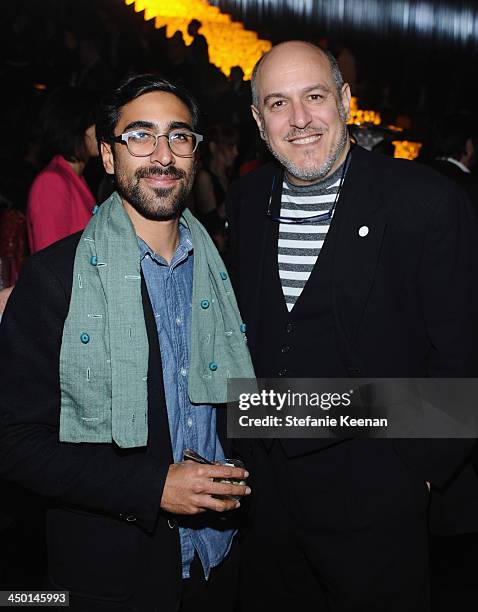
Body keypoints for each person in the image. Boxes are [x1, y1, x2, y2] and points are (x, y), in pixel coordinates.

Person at [226, 41, 478, 612]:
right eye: (277, 104)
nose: (299, 120)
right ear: (258, 121)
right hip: (266, 499)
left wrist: (420, 475)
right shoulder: (247, 199)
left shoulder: (426, 201)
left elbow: (461, 354)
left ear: (344, 101)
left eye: (314, 97)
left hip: (377, 497)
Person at [0, 74, 254, 611]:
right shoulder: (54, 279)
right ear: (109, 156)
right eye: (140, 135)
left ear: (195, 154)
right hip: (113, 574)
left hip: (221, 559)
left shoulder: (225, 276)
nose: (162, 154)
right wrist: (150, 486)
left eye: (179, 136)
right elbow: (15, 441)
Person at [27, 86, 99, 254]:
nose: (102, 130)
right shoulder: (51, 182)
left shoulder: (75, 177)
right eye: (95, 123)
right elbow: (49, 258)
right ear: (77, 127)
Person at [193, 123, 239, 254]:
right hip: (212, 249)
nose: (236, 152)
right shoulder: (204, 177)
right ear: (214, 148)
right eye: (230, 147)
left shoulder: (229, 176)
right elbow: (209, 222)